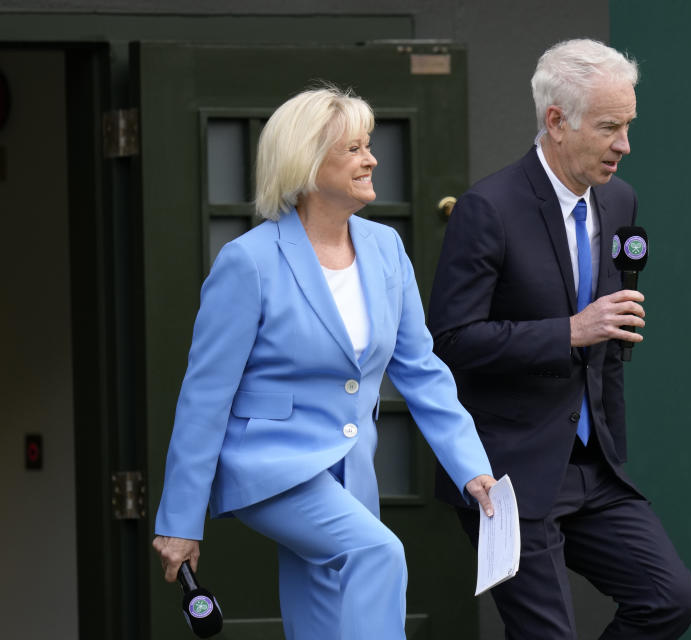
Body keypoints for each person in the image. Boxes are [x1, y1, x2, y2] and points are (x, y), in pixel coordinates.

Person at [151, 85, 496, 640]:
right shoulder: (249, 262)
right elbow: (204, 397)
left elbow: (421, 369)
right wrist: (179, 521)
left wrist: (471, 466)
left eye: (370, 144)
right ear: (308, 163)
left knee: (324, 616)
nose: (372, 158)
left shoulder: (386, 249)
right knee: (377, 552)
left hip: (349, 465)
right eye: (355, 148)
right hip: (270, 466)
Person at [428, 39, 691, 639]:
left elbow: (608, 343)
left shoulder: (620, 199)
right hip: (509, 472)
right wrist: (571, 331)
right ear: (555, 121)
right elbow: (448, 340)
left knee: (670, 599)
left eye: (627, 125)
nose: (624, 145)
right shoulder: (487, 208)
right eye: (609, 127)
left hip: (595, 468)